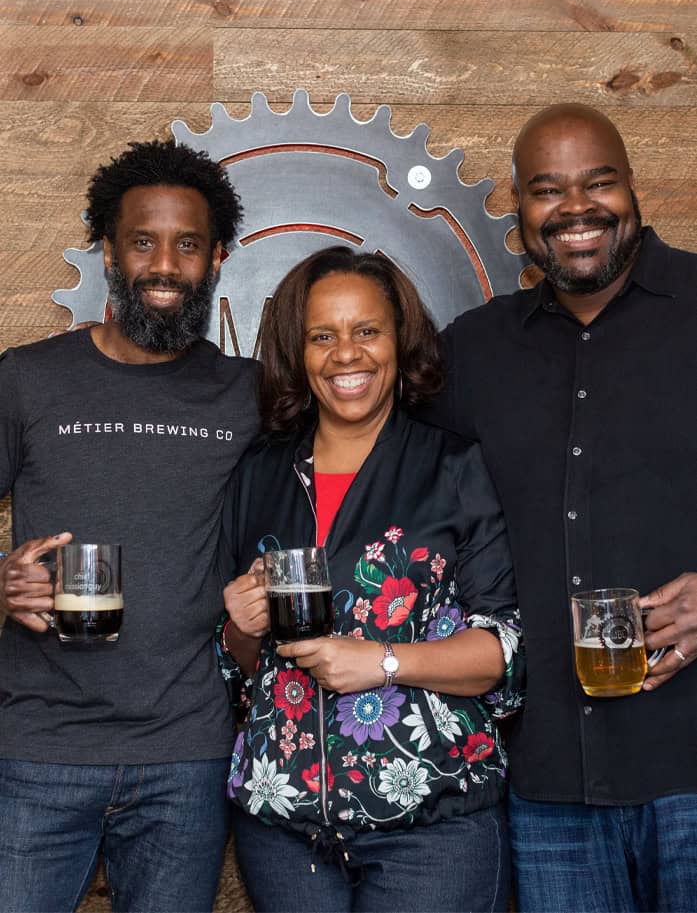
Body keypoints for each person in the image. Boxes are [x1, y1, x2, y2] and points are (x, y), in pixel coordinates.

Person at [424, 103, 697, 912]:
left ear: (631, 190)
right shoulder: (470, 352)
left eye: (597, 183)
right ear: (518, 211)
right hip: (547, 778)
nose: (575, 209)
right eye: (547, 190)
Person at [217, 246, 524, 912]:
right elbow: (239, 665)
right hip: (282, 824)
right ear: (297, 352)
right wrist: (240, 626)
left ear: (398, 342)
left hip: (431, 823)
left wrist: (381, 662)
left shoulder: (451, 466)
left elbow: (502, 649)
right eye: (321, 336)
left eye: (366, 331)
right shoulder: (262, 471)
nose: (345, 354)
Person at [0, 139, 259, 913]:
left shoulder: (249, 395)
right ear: (108, 250)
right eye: (143, 240)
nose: (164, 265)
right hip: (40, 749)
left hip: (185, 756)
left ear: (216, 258)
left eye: (187, 245)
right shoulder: (27, 378)